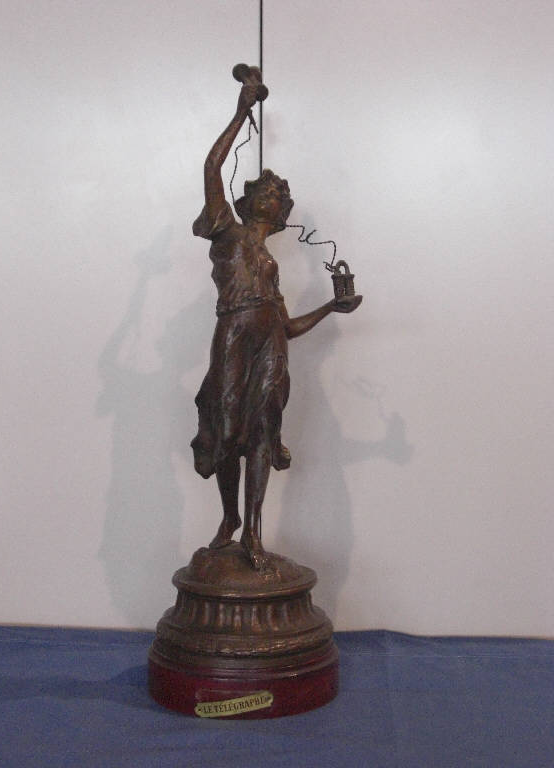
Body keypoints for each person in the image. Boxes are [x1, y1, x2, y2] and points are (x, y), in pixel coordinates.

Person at [191, 80, 361, 569]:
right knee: (227, 429)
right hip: (234, 335)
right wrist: (240, 112)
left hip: (270, 341)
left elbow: (285, 327)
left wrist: (330, 308)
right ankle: (230, 519)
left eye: (280, 192)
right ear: (249, 203)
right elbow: (211, 168)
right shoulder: (226, 230)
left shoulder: (270, 263)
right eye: (269, 189)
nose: (277, 193)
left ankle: (253, 532)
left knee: (263, 429)